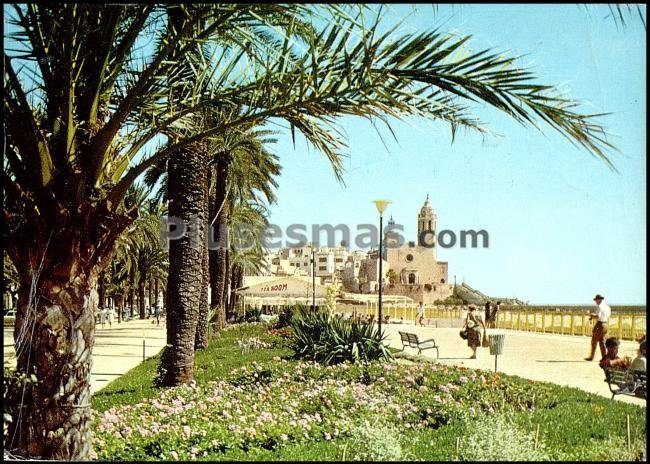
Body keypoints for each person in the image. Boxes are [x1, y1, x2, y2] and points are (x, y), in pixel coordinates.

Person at [585, 294, 611, 361]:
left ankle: (592, 357)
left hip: (600, 324)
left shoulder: (600, 307)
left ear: (599, 300)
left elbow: (597, 316)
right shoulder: (607, 307)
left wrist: (591, 315)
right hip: (605, 324)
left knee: (594, 341)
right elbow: (608, 316)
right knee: (602, 342)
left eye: (596, 300)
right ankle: (604, 358)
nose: (596, 301)